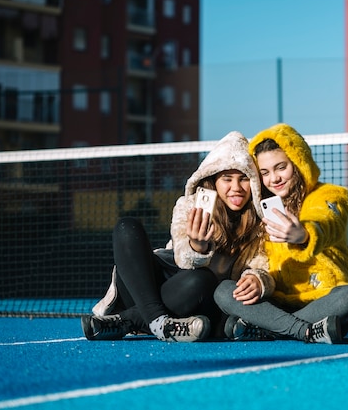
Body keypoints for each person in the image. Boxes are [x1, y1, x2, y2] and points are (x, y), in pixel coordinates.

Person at [81, 131, 274, 342]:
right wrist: (197, 247)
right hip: (149, 285)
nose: (236, 188)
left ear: (254, 184)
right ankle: (157, 321)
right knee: (127, 227)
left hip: (193, 294)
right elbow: (182, 257)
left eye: (243, 179)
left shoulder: (260, 224)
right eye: (227, 179)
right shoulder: (189, 204)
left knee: (201, 280)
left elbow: (263, 266)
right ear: (214, 180)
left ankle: (131, 321)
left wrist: (258, 279)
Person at [214, 123, 348, 344]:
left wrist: (304, 235)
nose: (273, 178)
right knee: (224, 291)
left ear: (298, 163)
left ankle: (267, 329)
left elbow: (326, 221)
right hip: (278, 303)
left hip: (322, 300)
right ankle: (305, 331)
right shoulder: (263, 208)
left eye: (281, 167)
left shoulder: (331, 195)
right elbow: (260, 264)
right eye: (265, 172)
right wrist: (254, 279)